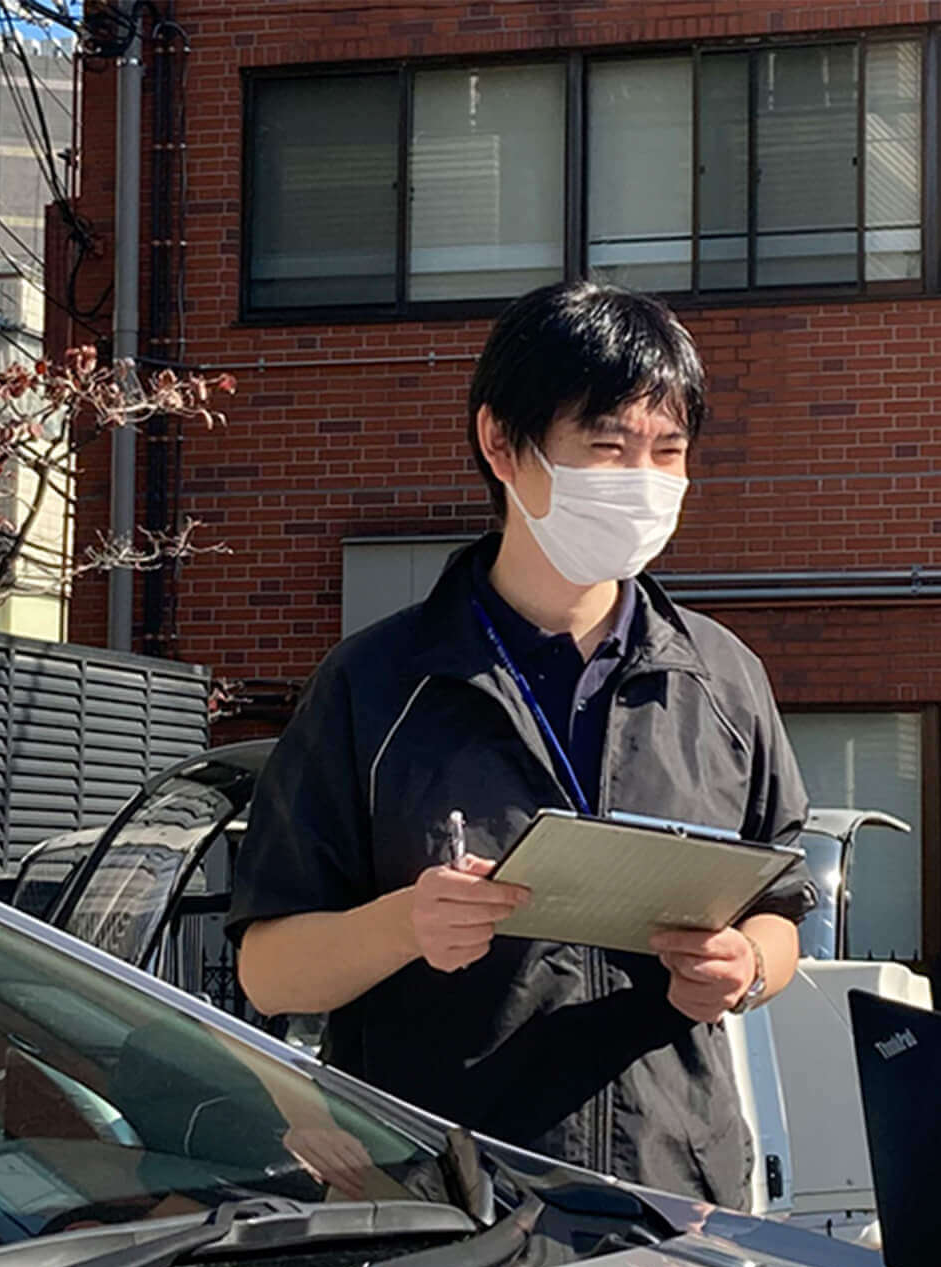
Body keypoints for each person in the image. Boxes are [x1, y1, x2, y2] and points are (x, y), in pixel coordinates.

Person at [229, 282, 812, 1206]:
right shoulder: (377, 683)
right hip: (439, 1201)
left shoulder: (723, 679)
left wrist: (746, 972)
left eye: (669, 452)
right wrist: (405, 926)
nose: (644, 483)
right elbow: (267, 970)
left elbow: (780, 909)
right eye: (607, 447)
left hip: (672, 1196)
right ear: (503, 443)